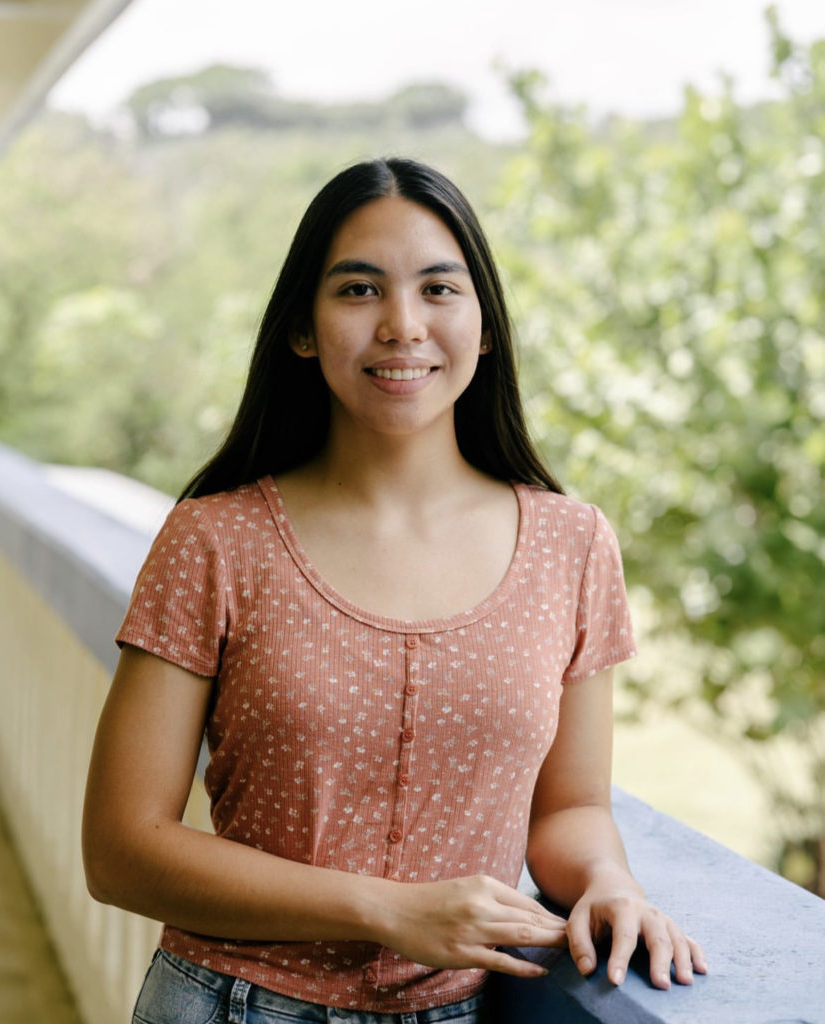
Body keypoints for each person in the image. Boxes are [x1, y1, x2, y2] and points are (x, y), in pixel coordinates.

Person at [82, 157, 707, 1024]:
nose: (402, 325)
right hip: (230, 1005)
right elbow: (121, 852)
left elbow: (569, 809)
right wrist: (388, 909)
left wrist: (608, 881)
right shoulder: (216, 540)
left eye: (439, 290)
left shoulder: (573, 545)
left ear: (484, 327)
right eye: (359, 291)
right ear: (303, 328)